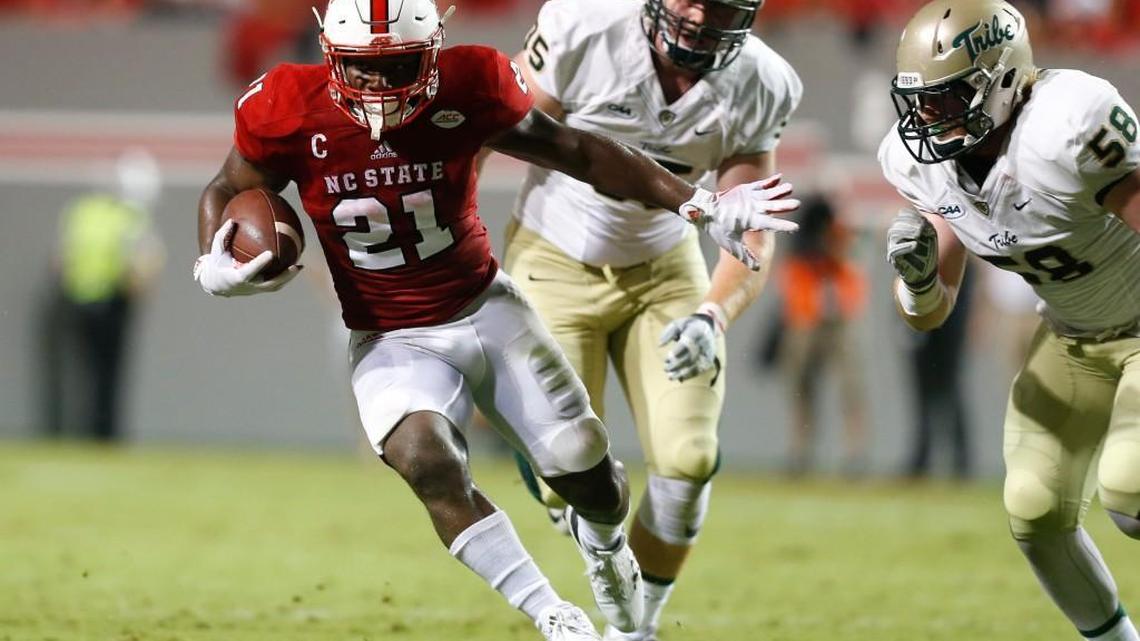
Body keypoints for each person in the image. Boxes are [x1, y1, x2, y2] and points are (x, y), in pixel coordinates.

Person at [192, 1, 800, 640]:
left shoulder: (470, 84)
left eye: (399, 65)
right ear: (329, 53)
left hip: (487, 310)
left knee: (591, 479)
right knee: (424, 458)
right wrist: (211, 261)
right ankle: (550, 612)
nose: (380, 87)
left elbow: (579, 151)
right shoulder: (286, 104)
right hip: (389, 334)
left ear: (432, 53)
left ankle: (605, 547)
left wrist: (696, 204)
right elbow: (223, 187)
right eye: (363, 69)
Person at [501, 1, 800, 638]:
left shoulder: (762, 81)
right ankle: (579, 520)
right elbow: (498, 131)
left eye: (718, 3)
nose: (697, 13)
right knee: (565, 475)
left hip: (665, 269)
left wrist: (711, 315)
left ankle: (636, 629)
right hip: (553, 256)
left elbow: (750, 231)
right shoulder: (584, 25)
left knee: (689, 458)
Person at [880, 1, 1140, 640]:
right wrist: (916, 280)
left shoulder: (1067, 122)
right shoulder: (921, 160)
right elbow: (930, 313)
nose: (928, 119)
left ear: (1002, 78)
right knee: (1034, 509)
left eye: (947, 98)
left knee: (1130, 492)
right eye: (922, 103)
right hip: (1072, 338)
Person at [41, 147, 165, 442]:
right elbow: (140, 265)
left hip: (75, 300)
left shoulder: (81, 212)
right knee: (108, 374)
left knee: (78, 371)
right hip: (112, 302)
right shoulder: (127, 216)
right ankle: (104, 435)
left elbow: (59, 260)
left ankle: (73, 431)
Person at [772, 195, 867, 478]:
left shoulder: (840, 236)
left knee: (850, 388)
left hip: (840, 321)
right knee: (801, 390)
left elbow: (852, 267)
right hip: (805, 321)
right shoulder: (798, 240)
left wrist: (831, 245)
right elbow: (791, 280)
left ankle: (854, 454)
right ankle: (800, 454)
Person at [901, 262, 974, 480]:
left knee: (950, 387)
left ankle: (960, 459)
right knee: (922, 389)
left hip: (949, 320)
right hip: (923, 320)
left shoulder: (958, 248)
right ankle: (921, 458)